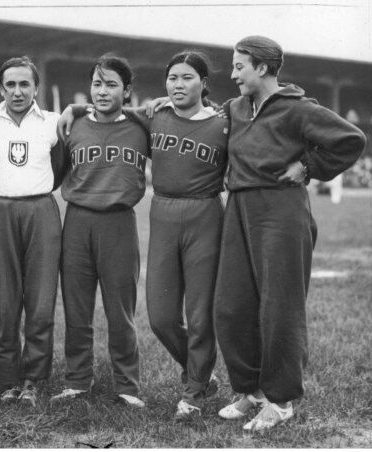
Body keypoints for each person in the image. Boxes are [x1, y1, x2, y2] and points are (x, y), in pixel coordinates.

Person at [61, 51, 229, 421]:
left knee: (198, 314)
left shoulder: (220, 123)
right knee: (161, 317)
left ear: (204, 83)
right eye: (173, 78)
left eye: (187, 78)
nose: (179, 84)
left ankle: (194, 388)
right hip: (159, 213)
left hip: (202, 212)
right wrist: (72, 110)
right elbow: (104, 107)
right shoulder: (153, 116)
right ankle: (200, 372)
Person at [212, 36, 366, 432]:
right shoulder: (234, 108)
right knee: (231, 306)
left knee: (279, 307)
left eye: (238, 67)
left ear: (262, 68)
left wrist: (310, 167)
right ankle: (251, 390)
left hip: (281, 210)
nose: (232, 74)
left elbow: (351, 140)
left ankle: (280, 400)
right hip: (239, 209)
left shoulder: (298, 109)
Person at [50, 55, 148, 408]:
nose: (102, 91)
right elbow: (56, 172)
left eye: (111, 84)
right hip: (77, 221)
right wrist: (75, 108)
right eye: (97, 84)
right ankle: (77, 380)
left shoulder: (142, 126)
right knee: (76, 309)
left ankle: (127, 385)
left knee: (120, 312)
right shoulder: (72, 125)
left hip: (119, 222)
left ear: (127, 90)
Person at [0, 56, 65, 406]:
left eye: (24, 84)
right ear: (1, 88)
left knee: (41, 302)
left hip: (41, 211)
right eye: (10, 85)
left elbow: (61, 167)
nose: (17, 91)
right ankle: (8, 380)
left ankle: (33, 379)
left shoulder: (54, 122)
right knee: (5, 302)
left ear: (35, 87)